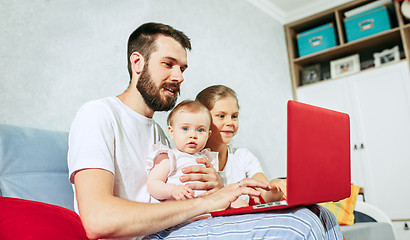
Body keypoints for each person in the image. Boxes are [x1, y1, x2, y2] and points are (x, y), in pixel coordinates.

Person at [68, 22, 343, 240]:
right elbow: (98, 220)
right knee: (300, 225)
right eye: (168, 64)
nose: (179, 77)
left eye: (183, 68)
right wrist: (207, 202)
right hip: (149, 235)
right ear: (137, 62)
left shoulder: (161, 133)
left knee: (321, 214)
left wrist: (217, 187)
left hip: (176, 226)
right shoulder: (99, 114)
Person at [196, 85, 286, 207]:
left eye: (234, 116)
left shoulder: (243, 157)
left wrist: (276, 187)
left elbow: (267, 194)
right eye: (221, 116)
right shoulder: (193, 160)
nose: (230, 123)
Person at [146, 100, 217, 201]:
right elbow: (153, 184)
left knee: (239, 202)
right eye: (185, 128)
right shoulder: (169, 156)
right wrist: (172, 190)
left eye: (200, 130)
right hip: (179, 210)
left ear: (208, 135)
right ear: (172, 132)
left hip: (205, 210)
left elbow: (213, 184)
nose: (193, 135)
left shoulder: (206, 158)